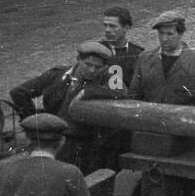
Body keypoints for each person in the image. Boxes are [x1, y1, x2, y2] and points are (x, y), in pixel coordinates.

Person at [9, 41, 120, 173]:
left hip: (85, 143)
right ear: (78, 60)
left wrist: (87, 91)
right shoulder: (58, 74)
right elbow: (19, 92)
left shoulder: (108, 77)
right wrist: (35, 123)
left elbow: (120, 93)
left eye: (98, 67)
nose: (92, 70)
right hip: (53, 139)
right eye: (88, 64)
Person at [129, 10, 195, 106]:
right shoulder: (145, 59)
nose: (164, 39)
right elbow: (135, 96)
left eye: (170, 34)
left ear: (181, 34)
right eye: (161, 33)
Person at [99, 6, 144, 89]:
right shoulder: (96, 51)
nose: (107, 30)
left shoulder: (140, 54)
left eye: (112, 26)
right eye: (105, 25)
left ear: (126, 28)